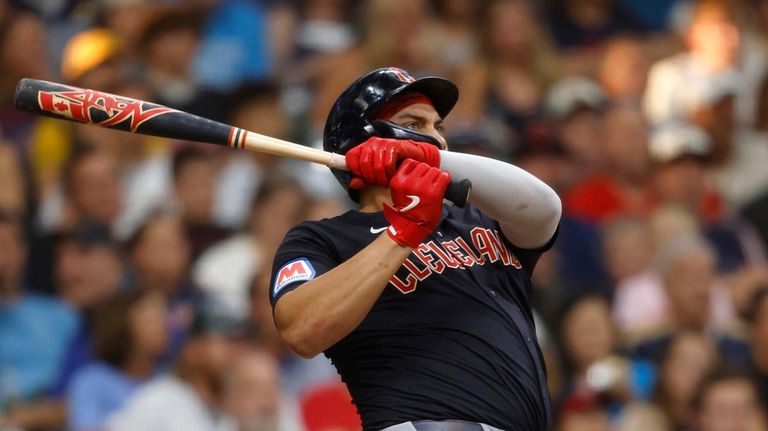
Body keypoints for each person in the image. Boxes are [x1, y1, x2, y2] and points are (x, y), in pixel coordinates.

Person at [270, 67, 561, 430]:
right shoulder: (325, 238)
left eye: (438, 127)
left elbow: (544, 208)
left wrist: (428, 159)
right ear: (367, 141)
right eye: (415, 123)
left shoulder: (478, 217)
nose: (437, 140)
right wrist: (403, 233)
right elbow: (301, 330)